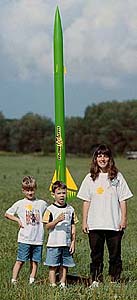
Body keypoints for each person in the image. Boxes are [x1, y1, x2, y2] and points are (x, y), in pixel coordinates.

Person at [77, 144, 133, 287]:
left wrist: (123, 219)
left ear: (110, 158)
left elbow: (123, 200)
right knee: (96, 254)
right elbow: (86, 201)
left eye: (105, 156)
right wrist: (84, 222)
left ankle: (114, 279)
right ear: (95, 158)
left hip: (114, 223)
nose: (102, 159)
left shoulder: (117, 177)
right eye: (99, 155)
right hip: (94, 223)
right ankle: (96, 279)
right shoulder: (90, 178)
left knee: (115, 255)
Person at [5, 176, 47, 285]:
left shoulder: (42, 203)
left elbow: (49, 214)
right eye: (27, 190)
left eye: (32, 190)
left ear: (35, 189)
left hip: (38, 238)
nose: (30, 192)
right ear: (23, 190)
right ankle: (14, 280)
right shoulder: (20, 204)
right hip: (24, 238)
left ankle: (31, 281)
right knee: (20, 260)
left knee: (35, 261)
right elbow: (7, 214)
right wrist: (18, 220)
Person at [43, 180, 78, 288]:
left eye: (63, 193)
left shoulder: (70, 209)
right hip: (53, 243)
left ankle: (62, 283)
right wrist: (57, 220)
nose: (62, 195)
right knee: (53, 265)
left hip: (66, 243)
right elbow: (47, 226)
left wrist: (73, 242)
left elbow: (73, 226)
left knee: (65, 265)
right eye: (59, 193)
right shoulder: (50, 209)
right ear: (53, 195)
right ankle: (53, 284)